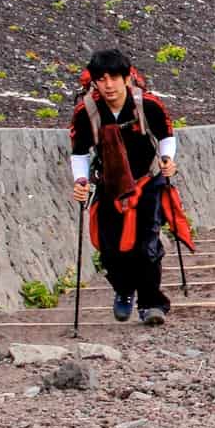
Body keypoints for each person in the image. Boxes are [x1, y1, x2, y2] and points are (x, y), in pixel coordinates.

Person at [69, 48, 182, 325]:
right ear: (95, 81)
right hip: (108, 185)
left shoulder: (148, 105)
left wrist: (168, 160)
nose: (109, 85)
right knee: (110, 249)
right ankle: (122, 289)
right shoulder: (87, 112)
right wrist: (80, 181)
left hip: (147, 182)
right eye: (102, 79)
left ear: (126, 77)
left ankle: (151, 303)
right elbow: (80, 153)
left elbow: (166, 135)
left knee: (147, 245)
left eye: (114, 77)